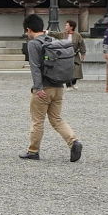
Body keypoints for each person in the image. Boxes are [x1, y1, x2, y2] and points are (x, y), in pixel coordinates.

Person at [20, 15, 82, 162]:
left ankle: (33, 151)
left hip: (44, 88)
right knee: (56, 119)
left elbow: (35, 68)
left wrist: (38, 88)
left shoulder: (34, 44)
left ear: (28, 29)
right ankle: (74, 141)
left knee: (38, 120)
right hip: (59, 86)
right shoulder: (53, 40)